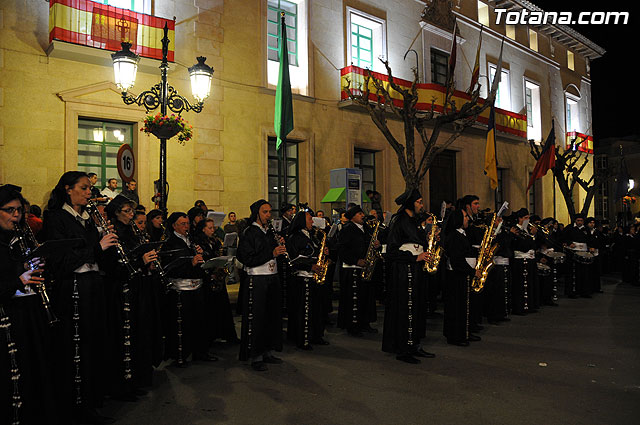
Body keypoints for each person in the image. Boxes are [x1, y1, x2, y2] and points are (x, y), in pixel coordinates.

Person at [41, 171, 119, 424]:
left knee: (95, 341)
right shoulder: (56, 218)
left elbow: (98, 257)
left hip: (93, 284)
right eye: (84, 188)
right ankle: (76, 406)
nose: (89, 193)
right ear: (68, 189)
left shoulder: (87, 218)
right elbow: (60, 260)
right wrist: (98, 246)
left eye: (89, 188)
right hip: (73, 289)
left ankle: (93, 399)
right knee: (77, 345)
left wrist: (108, 244)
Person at [0, 184, 58, 424]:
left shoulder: (13, 237)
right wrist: (18, 278)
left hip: (23, 313)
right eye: (10, 210)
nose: (17, 216)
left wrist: (27, 266)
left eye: (19, 211)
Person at [382, 189, 435, 363]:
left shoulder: (413, 221)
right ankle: (403, 348)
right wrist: (414, 257)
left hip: (417, 269)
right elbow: (391, 252)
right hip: (404, 271)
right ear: (411, 203)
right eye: (419, 201)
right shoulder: (399, 222)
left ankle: (414, 344)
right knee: (406, 308)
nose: (422, 205)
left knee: (417, 307)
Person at [160, 212, 215, 366]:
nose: (186, 227)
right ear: (174, 226)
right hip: (180, 289)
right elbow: (169, 267)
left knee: (199, 321)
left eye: (187, 223)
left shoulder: (192, 240)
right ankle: (180, 355)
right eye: (182, 224)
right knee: (182, 324)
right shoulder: (169, 243)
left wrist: (200, 254)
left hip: (197, 286)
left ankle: (200, 351)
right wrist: (190, 262)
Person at [236, 200, 285, 371]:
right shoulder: (249, 232)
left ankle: (267, 351)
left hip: (272, 277)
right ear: (257, 213)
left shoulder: (269, 231)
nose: (268, 215)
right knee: (256, 317)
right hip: (257, 280)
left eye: (269, 212)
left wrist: (279, 246)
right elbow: (246, 258)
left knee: (271, 316)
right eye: (265, 212)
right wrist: (271, 253)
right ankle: (255, 355)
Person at [286, 206, 329, 349]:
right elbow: (293, 259)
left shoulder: (311, 235)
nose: (312, 222)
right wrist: (309, 267)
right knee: (304, 311)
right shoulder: (295, 237)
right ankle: (302, 338)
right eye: (310, 219)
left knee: (317, 309)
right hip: (302, 278)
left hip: (314, 277)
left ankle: (316, 335)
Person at [192, 218, 239, 344]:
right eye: (210, 228)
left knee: (222, 307)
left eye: (214, 228)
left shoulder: (214, 241)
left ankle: (226, 334)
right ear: (203, 229)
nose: (213, 230)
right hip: (207, 278)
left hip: (217, 277)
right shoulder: (198, 241)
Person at [443, 208, 482, 347]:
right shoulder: (454, 236)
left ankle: (464, 332)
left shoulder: (462, 234)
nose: (468, 219)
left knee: (464, 306)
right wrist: (472, 272)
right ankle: (455, 336)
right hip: (456, 276)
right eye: (465, 217)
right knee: (456, 307)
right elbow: (457, 260)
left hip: (462, 275)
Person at [337, 205, 377, 337]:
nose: (362, 216)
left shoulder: (366, 228)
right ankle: (353, 325)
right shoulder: (347, 229)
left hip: (365, 267)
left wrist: (376, 244)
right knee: (354, 299)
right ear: (353, 216)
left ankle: (365, 322)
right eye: (360, 213)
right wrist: (355, 260)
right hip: (352, 268)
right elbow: (342, 250)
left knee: (366, 297)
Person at [510, 208, 538, 314]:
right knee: (520, 285)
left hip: (530, 259)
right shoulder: (516, 230)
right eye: (525, 218)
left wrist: (533, 236)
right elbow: (523, 246)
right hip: (520, 260)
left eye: (528, 218)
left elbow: (534, 246)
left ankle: (529, 305)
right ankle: (520, 307)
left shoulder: (526, 230)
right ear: (520, 219)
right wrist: (531, 236)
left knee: (530, 283)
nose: (528, 220)